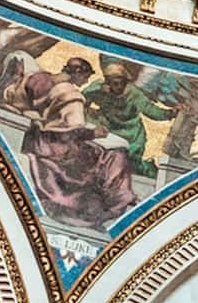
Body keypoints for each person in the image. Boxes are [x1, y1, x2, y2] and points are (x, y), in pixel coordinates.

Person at [10, 59, 136, 228]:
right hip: (57, 146)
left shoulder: (39, 78)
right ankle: (115, 198)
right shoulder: (71, 95)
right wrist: (93, 133)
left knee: (99, 152)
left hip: (36, 139)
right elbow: (68, 133)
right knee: (110, 155)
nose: (86, 81)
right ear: (77, 73)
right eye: (85, 77)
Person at [82, 59, 174, 179]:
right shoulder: (98, 89)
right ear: (107, 82)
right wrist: (87, 109)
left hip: (131, 134)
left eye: (122, 83)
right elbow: (80, 99)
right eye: (115, 83)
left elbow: (151, 111)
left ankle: (148, 168)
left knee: (131, 165)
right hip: (107, 128)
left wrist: (170, 113)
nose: (119, 87)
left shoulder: (134, 94)